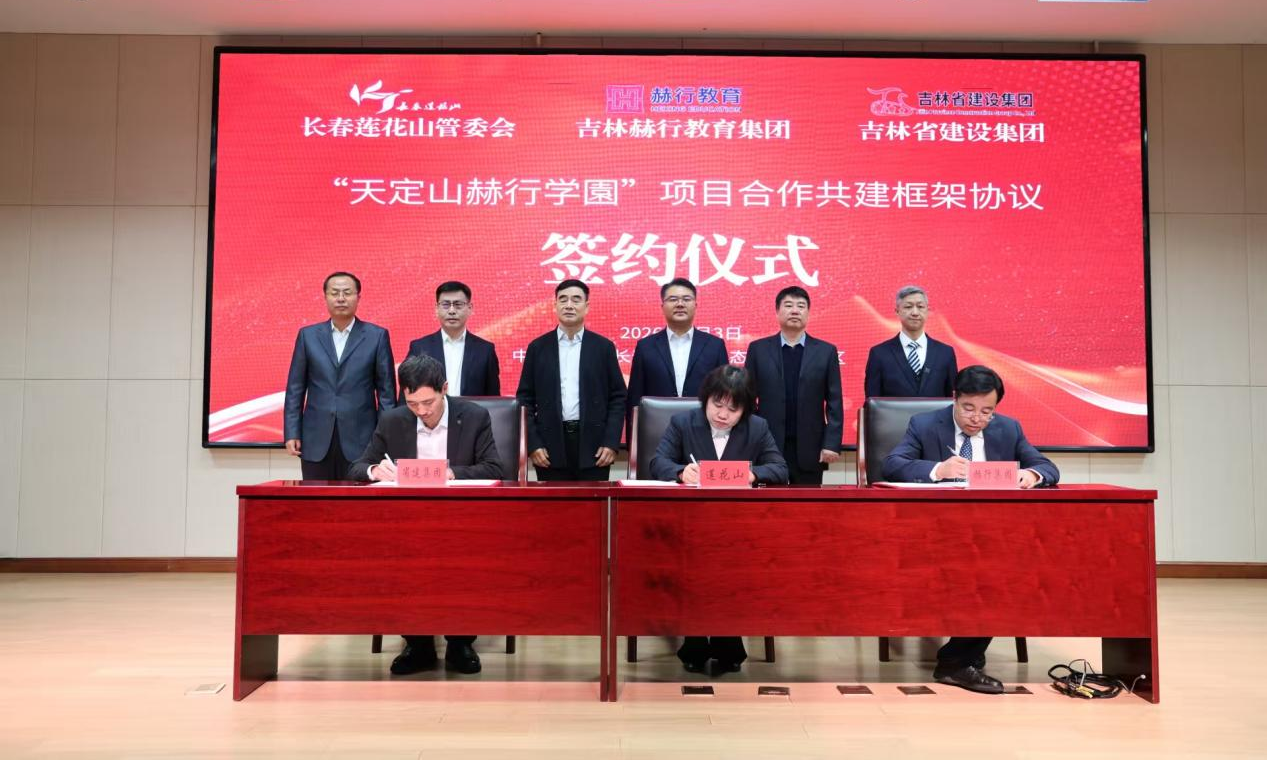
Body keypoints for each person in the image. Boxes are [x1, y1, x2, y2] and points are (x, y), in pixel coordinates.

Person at [881, 364, 1060, 694]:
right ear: (954, 399)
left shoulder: (1009, 428)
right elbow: (892, 465)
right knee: (988, 571)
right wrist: (938, 469)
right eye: (968, 408)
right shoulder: (924, 424)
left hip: (992, 533)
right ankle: (958, 660)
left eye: (986, 411)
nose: (976, 418)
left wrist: (1031, 475)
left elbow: (1046, 467)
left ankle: (958, 658)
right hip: (935, 532)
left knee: (1007, 568)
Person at [348, 354, 504, 676]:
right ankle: (417, 644)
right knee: (398, 554)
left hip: (462, 520)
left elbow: (493, 468)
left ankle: (460, 643)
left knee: (466, 555)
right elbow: (357, 467)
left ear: (444, 389)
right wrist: (375, 470)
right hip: (409, 522)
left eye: (428, 403)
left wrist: (451, 473)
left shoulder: (473, 417)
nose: (421, 411)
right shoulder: (392, 420)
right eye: (412, 404)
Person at [649, 365, 788, 676]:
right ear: (706, 399)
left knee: (733, 561)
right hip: (690, 525)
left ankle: (728, 642)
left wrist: (753, 474)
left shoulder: (758, 428)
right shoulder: (683, 422)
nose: (723, 415)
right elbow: (658, 462)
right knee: (694, 560)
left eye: (733, 409)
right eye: (717, 405)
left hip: (739, 527)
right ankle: (695, 642)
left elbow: (780, 468)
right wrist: (680, 472)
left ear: (745, 410)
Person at [283, 271, 396, 480]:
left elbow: (386, 394)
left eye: (347, 293)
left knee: (359, 499)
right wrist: (292, 432)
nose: (341, 298)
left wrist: (385, 438)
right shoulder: (308, 336)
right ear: (325, 297)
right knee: (316, 498)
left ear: (358, 297)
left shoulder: (377, 336)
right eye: (335, 293)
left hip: (362, 439)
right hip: (316, 438)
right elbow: (295, 389)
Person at [516, 279, 626, 481]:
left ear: (587, 306)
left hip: (595, 448)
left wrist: (611, 442)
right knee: (554, 501)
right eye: (563, 299)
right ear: (555, 305)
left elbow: (618, 398)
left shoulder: (603, 347)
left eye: (576, 300)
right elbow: (525, 400)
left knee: (593, 501)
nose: (569, 305)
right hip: (549, 448)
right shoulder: (537, 348)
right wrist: (533, 443)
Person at [743, 286, 843, 484]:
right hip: (767, 443)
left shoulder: (826, 351)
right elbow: (747, 399)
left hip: (811, 446)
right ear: (777, 311)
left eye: (801, 306)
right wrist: (751, 438)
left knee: (807, 502)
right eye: (788, 305)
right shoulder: (758, 349)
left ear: (808, 312)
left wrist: (831, 443)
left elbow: (834, 402)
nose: (795, 311)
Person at [626, 278, 728, 436]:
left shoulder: (715, 345)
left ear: (695, 305)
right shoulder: (645, 346)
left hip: (705, 432)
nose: (680, 304)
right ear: (662, 306)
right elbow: (635, 398)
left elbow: (724, 393)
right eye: (673, 299)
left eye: (686, 299)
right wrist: (633, 440)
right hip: (657, 432)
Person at [402, 281, 501, 401]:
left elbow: (494, 400)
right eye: (445, 305)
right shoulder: (419, 347)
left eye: (458, 305)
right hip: (430, 413)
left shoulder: (485, 350)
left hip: (471, 413)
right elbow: (406, 394)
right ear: (437, 308)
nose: (452, 311)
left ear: (470, 308)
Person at [864, 285, 958, 398]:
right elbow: (872, 401)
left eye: (920, 306)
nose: (915, 312)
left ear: (928, 311)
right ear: (897, 311)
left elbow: (953, 399)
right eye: (908, 307)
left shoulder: (945, 353)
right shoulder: (879, 353)